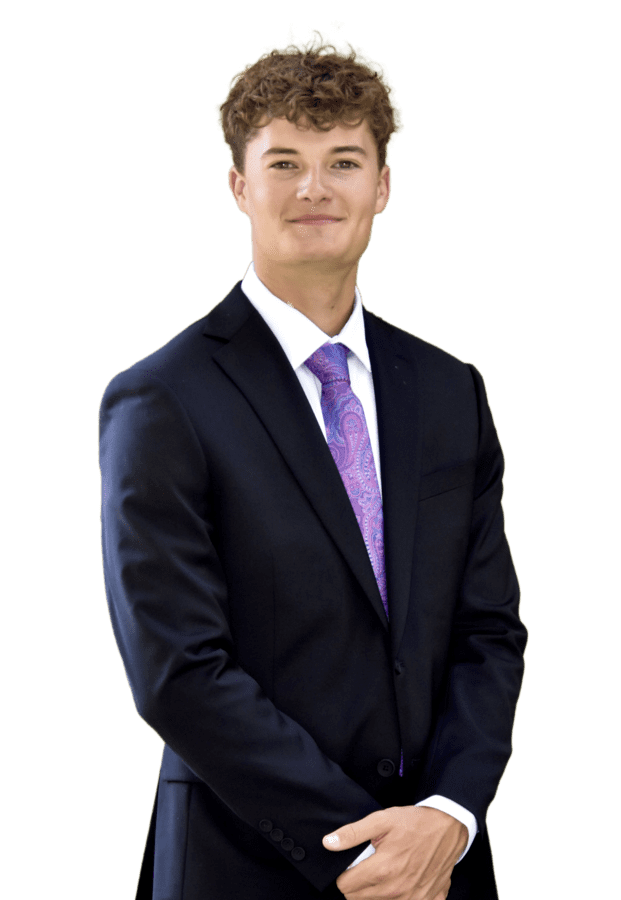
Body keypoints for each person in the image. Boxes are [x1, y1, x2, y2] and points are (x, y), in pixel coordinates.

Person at [99, 28, 527, 900]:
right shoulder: (163, 398)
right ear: (239, 184)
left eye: (342, 161)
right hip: (243, 863)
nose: (314, 188)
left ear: (382, 185)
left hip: (437, 865)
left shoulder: (448, 389)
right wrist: (360, 848)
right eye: (284, 162)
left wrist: (446, 813)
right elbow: (178, 670)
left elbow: (487, 630)